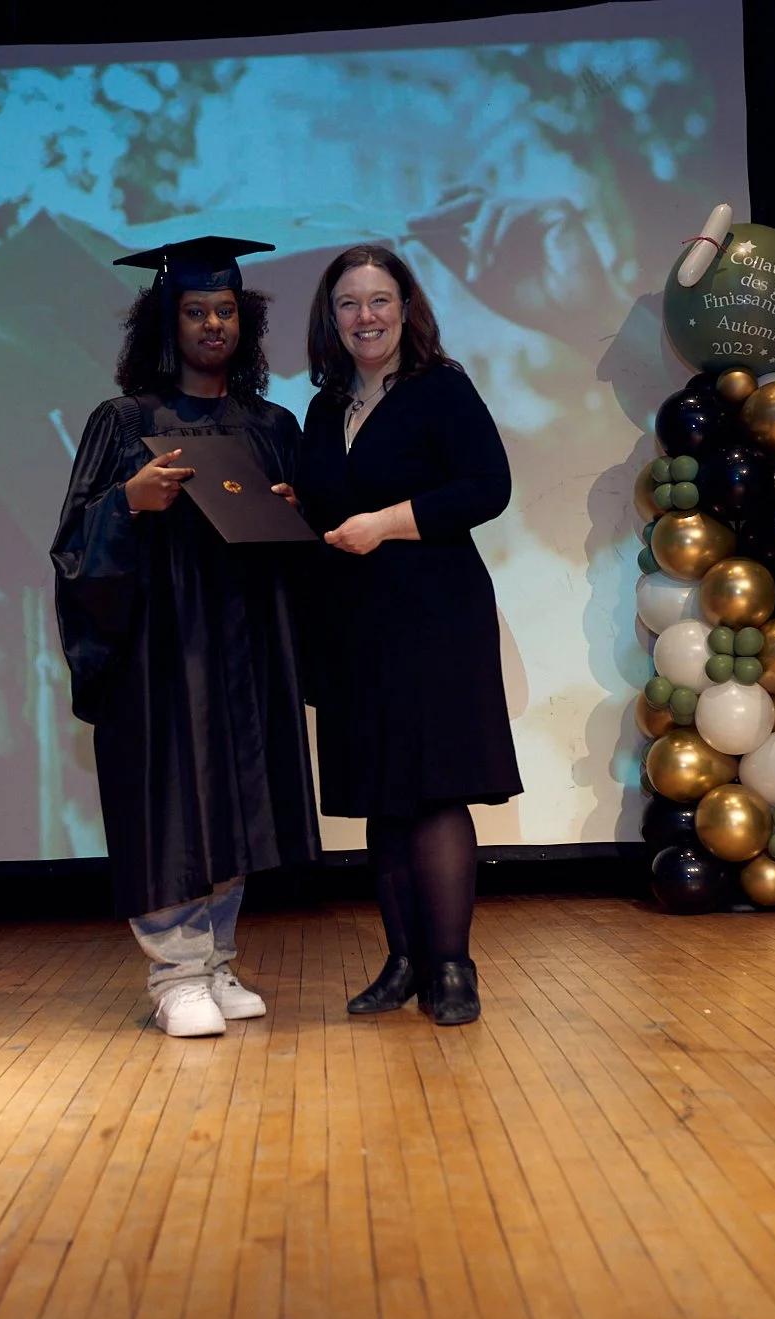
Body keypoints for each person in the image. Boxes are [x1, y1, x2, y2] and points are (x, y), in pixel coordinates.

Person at [50, 236, 321, 1038]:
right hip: (160, 653)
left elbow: (300, 544)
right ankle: (176, 973)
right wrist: (127, 501)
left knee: (240, 795)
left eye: (225, 310)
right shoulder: (124, 421)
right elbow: (72, 546)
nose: (212, 324)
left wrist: (292, 509)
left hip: (243, 649)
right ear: (164, 323)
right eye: (195, 310)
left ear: (246, 320)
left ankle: (218, 959)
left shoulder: (270, 423)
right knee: (168, 801)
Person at [294, 244, 523, 1027]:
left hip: (434, 616)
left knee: (432, 791)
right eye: (349, 303)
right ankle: (402, 962)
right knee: (379, 800)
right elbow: (328, 508)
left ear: (406, 307)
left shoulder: (440, 389)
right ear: (331, 318)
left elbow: (488, 487)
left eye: (379, 300)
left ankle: (453, 969)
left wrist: (385, 525)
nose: (366, 316)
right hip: (354, 623)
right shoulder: (324, 408)